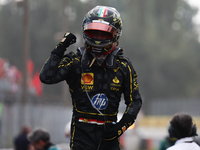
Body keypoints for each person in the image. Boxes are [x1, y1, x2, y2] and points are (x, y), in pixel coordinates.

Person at [40, 5, 142, 150]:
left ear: (116, 34)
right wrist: (61, 47)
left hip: (109, 136)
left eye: (103, 34)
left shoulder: (123, 66)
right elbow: (46, 77)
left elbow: (135, 101)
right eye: (94, 32)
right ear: (85, 31)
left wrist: (121, 126)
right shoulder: (75, 61)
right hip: (81, 135)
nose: (98, 38)